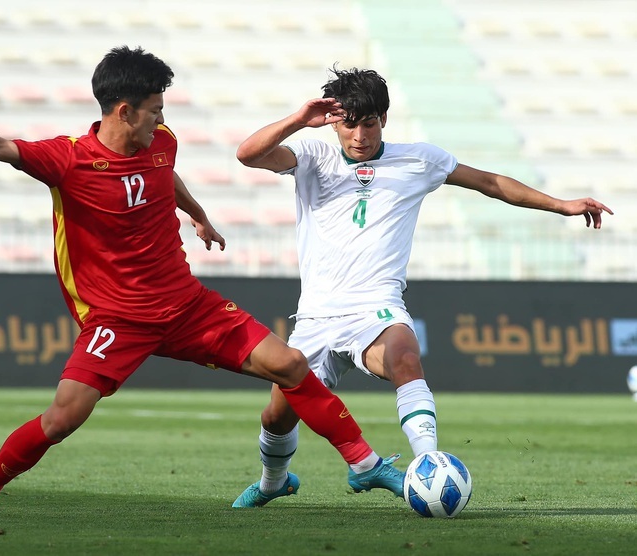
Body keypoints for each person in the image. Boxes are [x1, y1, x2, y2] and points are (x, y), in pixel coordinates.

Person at [0, 47, 406, 519]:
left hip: (188, 306)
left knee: (291, 364)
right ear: (123, 111)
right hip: (117, 320)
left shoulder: (160, 144)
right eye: (155, 110)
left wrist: (198, 215)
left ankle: (365, 464)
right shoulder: (69, 159)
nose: (163, 120)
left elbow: (164, 175)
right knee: (61, 419)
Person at [231, 66, 613, 508]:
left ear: (385, 119)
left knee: (406, 358)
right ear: (334, 122)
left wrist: (562, 205)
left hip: (375, 307)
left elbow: (491, 183)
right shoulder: (313, 155)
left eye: (369, 123)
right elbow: (247, 154)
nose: (359, 135)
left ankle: (430, 466)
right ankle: (274, 482)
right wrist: (299, 119)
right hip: (316, 316)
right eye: (349, 124)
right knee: (277, 416)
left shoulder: (419, 159)